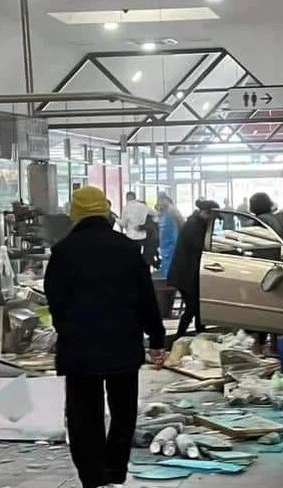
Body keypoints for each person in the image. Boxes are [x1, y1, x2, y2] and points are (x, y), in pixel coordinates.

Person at [45, 186, 166, 488]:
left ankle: (93, 477)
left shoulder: (63, 251)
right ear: (106, 211)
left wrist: (67, 329)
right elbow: (146, 298)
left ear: (75, 214)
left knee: (84, 414)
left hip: (80, 347)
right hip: (122, 343)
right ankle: (115, 472)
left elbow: (54, 299)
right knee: (123, 411)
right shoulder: (127, 249)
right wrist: (157, 338)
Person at [168, 199, 220, 339]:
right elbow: (199, 247)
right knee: (192, 307)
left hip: (188, 274)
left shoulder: (196, 222)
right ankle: (179, 337)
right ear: (206, 213)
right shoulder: (194, 226)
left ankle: (200, 333)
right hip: (185, 275)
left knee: (197, 307)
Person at [157, 194, 182, 278]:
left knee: (170, 264)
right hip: (166, 243)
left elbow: (180, 224)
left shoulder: (172, 211)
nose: (160, 203)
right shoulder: (164, 212)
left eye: (161, 200)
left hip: (171, 242)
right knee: (167, 263)